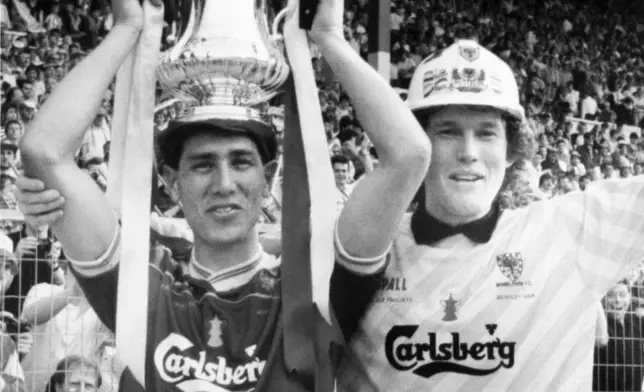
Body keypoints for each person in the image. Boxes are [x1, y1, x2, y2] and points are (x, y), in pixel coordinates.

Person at [16, 0, 430, 391]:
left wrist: (330, 39)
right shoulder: (144, 289)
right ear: (170, 180)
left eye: (241, 162)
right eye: (202, 164)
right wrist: (126, 29)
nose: (224, 183)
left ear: (268, 176)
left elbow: (409, 155)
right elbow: (44, 151)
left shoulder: (315, 290)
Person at [335, 39, 644, 391]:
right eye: (448, 132)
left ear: (510, 150)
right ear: (417, 144)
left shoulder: (570, 232)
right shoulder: (369, 244)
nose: (468, 153)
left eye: (486, 133)